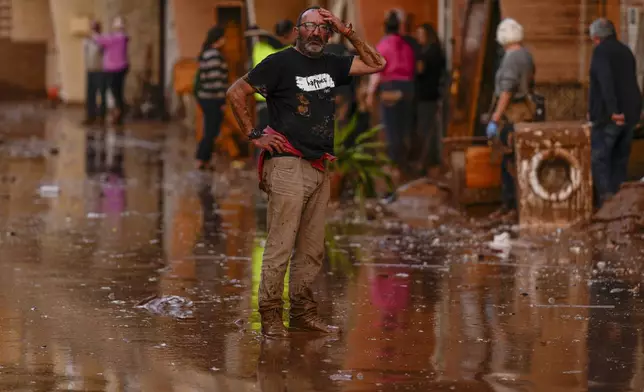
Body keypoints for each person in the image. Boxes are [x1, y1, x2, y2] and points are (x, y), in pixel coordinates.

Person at [226, 6, 386, 338]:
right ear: (298, 30)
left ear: (328, 35)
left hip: (318, 165)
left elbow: (377, 64)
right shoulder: (280, 62)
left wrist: (348, 31)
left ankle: (302, 313)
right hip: (286, 164)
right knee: (280, 245)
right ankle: (270, 316)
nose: (316, 33)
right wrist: (255, 135)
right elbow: (236, 92)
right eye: (309, 27)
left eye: (322, 29)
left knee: (313, 249)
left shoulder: (332, 63)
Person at [587, 18, 642, 208]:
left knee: (600, 159)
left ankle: (606, 203)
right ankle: (619, 203)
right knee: (620, 159)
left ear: (596, 38)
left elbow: (605, 81)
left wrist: (613, 111)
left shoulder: (601, 52)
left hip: (610, 117)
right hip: (630, 114)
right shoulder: (626, 51)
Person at [485, 18, 536, 222]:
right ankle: (512, 206)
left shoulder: (512, 58)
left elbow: (507, 90)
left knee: (509, 163)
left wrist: (495, 119)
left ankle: (511, 207)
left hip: (514, 116)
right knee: (517, 162)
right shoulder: (526, 55)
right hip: (525, 114)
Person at [366, 10, 416, 175]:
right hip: (408, 89)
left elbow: (377, 73)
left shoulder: (383, 45)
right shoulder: (407, 46)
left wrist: (370, 94)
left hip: (390, 88)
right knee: (405, 128)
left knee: (392, 129)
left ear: (385, 28)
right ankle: (405, 164)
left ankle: (395, 166)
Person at [247, 21, 297, 134]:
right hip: (280, 102)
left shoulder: (259, 48)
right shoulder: (290, 51)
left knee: (265, 134)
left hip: (263, 100)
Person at [194, 26, 228, 170]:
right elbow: (216, 81)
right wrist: (222, 101)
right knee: (211, 130)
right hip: (212, 98)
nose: (225, 40)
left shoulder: (207, 54)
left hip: (206, 97)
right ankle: (201, 159)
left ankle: (204, 159)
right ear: (217, 39)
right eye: (223, 37)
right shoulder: (214, 55)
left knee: (210, 129)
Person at [415, 23, 446, 176]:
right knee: (430, 129)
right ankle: (430, 162)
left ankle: (428, 163)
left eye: (420, 34)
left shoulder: (428, 53)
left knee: (426, 130)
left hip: (427, 96)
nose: (418, 37)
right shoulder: (436, 50)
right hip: (431, 95)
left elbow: (420, 70)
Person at [94, 17, 129, 125]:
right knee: (118, 91)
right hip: (120, 68)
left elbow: (99, 39)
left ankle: (118, 111)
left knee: (114, 91)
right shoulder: (121, 38)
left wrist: (95, 31)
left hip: (113, 69)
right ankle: (119, 111)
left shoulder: (117, 38)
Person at [83, 21, 106, 125]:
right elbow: (85, 52)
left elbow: (103, 52)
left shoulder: (102, 40)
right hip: (90, 69)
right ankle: (90, 115)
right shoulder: (87, 41)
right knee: (90, 94)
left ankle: (101, 116)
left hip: (100, 70)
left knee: (101, 93)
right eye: (92, 28)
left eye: (95, 28)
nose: (93, 30)